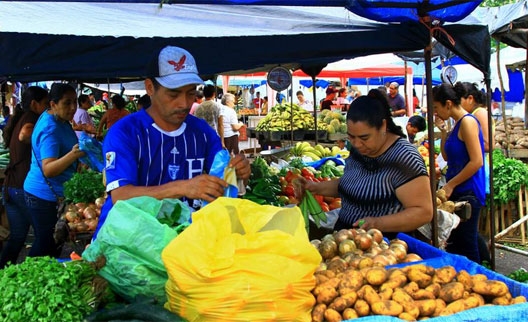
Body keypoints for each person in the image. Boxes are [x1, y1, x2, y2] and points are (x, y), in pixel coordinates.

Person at [93, 45, 250, 238]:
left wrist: (238, 172)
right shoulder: (125, 133)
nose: (184, 103)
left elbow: (223, 180)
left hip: (182, 242)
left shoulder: (202, 133)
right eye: (173, 94)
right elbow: (121, 197)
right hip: (128, 243)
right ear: (150, 88)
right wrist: (183, 187)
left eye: (191, 93)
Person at [296, 89, 433, 237]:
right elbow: (352, 183)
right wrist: (314, 187)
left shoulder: (404, 157)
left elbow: (423, 212)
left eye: (364, 138)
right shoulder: (359, 150)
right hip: (344, 238)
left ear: (383, 126)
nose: (357, 144)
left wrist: (378, 223)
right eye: (351, 137)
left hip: (383, 248)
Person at [23, 83, 85, 258]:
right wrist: (73, 155)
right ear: (53, 104)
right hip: (43, 196)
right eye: (67, 103)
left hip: (51, 194)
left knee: (52, 243)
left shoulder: (59, 119)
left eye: (75, 102)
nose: (73, 107)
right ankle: (27, 276)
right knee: (46, 245)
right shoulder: (50, 129)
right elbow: (49, 169)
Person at [433, 83, 486, 264]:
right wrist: (443, 132)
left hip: (469, 191)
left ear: (448, 104)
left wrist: (451, 184)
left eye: (436, 107)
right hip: (458, 191)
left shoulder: (468, 122)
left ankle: (481, 282)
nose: (435, 113)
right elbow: (446, 156)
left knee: (467, 244)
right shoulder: (456, 125)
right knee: (457, 242)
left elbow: (477, 161)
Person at [0, 86, 49, 268]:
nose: (48, 107)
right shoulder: (32, 118)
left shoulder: (20, 117)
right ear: (35, 104)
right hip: (22, 187)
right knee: (42, 235)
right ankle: (34, 272)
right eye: (45, 104)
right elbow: (24, 135)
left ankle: (3, 272)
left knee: (19, 236)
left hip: (11, 187)